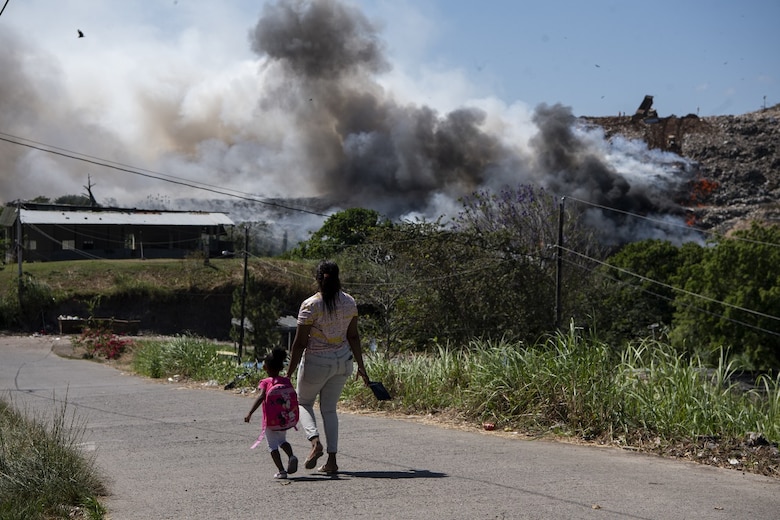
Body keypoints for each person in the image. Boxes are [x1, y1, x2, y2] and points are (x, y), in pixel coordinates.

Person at [286, 260, 370, 474]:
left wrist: (288, 373)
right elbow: (353, 336)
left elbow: (300, 343)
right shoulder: (349, 302)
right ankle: (332, 461)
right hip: (343, 361)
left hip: (317, 362)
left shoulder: (310, 305)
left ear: (317, 278)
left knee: (302, 402)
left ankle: (315, 442)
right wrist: (361, 366)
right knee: (329, 410)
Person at [244, 348, 299, 479]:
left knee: (272, 446)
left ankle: (282, 471)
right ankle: (291, 456)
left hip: (271, 421)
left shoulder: (265, 382)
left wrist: (250, 413)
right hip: (284, 419)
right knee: (282, 440)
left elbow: (261, 397)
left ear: (266, 367)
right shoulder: (286, 380)